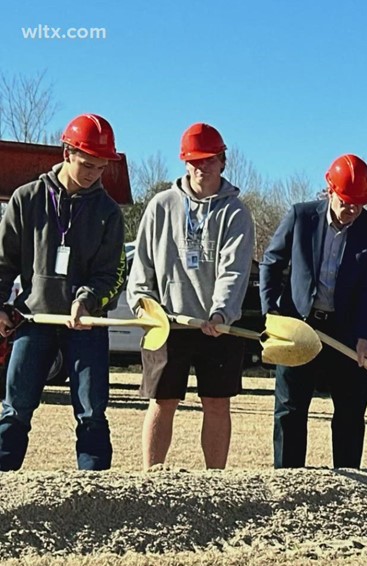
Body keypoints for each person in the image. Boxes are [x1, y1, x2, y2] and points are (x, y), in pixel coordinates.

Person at [0, 114, 126, 471]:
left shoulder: (109, 213)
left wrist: (86, 301)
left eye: (100, 167)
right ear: (67, 152)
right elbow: (3, 262)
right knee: (15, 408)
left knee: (92, 412)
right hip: (34, 320)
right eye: (87, 164)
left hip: (86, 327)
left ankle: (94, 487)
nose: (93, 174)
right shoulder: (26, 199)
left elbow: (113, 275)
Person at [128, 123, 254, 469]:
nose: (203, 167)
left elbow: (234, 270)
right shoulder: (161, 205)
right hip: (167, 324)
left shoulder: (236, 212)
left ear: (222, 161)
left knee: (217, 403)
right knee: (162, 401)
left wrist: (221, 313)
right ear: (185, 162)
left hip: (218, 327)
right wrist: (144, 304)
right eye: (195, 160)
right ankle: (152, 475)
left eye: (210, 159)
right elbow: (142, 263)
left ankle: (215, 479)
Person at [260, 154, 367, 468]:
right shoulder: (301, 216)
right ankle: (288, 478)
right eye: (346, 202)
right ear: (330, 191)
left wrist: (363, 337)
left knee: (351, 411)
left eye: (359, 204)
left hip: (345, 331)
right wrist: (271, 314)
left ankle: (349, 478)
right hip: (299, 325)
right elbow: (271, 263)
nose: (352, 209)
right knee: (290, 409)